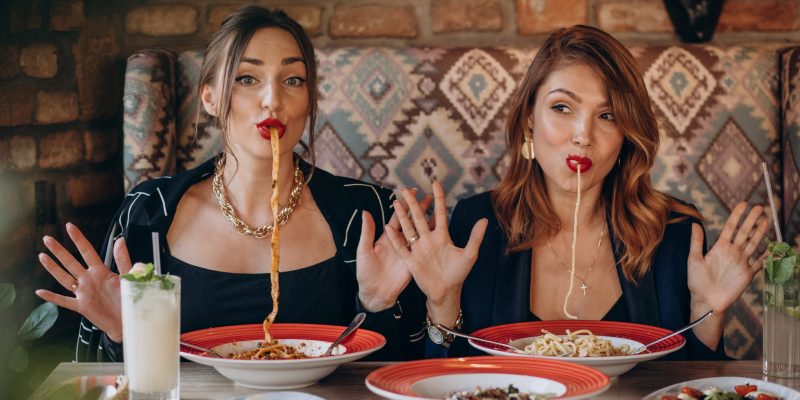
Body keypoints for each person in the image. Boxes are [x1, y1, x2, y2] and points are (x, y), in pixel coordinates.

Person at [34, 5, 427, 362]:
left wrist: (375, 304)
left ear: (309, 98)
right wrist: (122, 334)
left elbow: (409, 372)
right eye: (246, 78)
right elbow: (95, 378)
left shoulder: (369, 213)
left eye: (293, 80)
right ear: (209, 98)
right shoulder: (148, 213)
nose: (272, 99)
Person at [385, 25, 769, 360]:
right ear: (529, 119)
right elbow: (453, 377)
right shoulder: (477, 224)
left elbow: (693, 383)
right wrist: (442, 304)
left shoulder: (674, 231)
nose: (583, 135)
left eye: (608, 116)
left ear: (627, 135)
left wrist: (707, 310)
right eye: (562, 107)